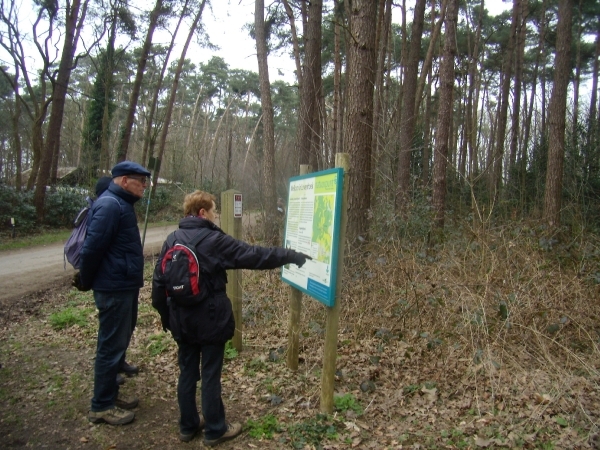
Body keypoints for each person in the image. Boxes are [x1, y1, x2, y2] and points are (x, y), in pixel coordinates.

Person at [151, 190, 310, 446]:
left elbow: (159, 283)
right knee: (211, 374)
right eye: (214, 211)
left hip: (181, 319)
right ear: (202, 213)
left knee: (187, 372)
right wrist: (290, 256)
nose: (216, 216)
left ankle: (187, 425)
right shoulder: (213, 240)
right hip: (211, 319)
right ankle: (215, 429)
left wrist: (166, 317)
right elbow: (255, 255)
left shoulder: (172, 239)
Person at [76, 161, 151, 426]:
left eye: (146, 181)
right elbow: (92, 248)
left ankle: (110, 394)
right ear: (122, 180)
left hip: (123, 285)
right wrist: (86, 280)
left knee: (118, 342)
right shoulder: (110, 205)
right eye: (140, 180)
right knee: (110, 346)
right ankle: (101, 405)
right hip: (113, 287)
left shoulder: (121, 204)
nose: (145, 185)